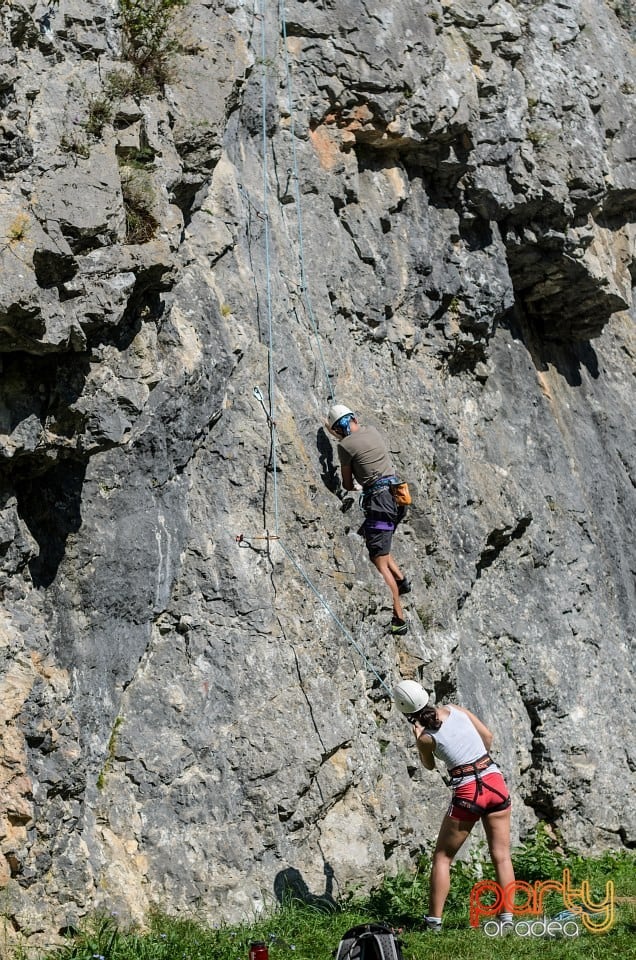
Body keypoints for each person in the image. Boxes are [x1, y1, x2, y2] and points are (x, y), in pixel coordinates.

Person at [393, 679, 515, 933]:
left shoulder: (425, 738)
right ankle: (507, 921)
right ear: (426, 696)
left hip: (468, 792)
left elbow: (428, 766)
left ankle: (434, 923)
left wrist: (419, 739)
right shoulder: (457, 710)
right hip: (494, 780)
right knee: (502, 856)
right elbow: (488, 737)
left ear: (405, 711)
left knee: (443, 857)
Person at [325, 403, 410, 635]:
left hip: (380, 504)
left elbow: (347, 484)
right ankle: (401, 580)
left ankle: (399, 618)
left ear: (337, 430)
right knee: (380, 541)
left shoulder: (345, 446)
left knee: (378, 560)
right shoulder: (372, 430)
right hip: (397, 497)